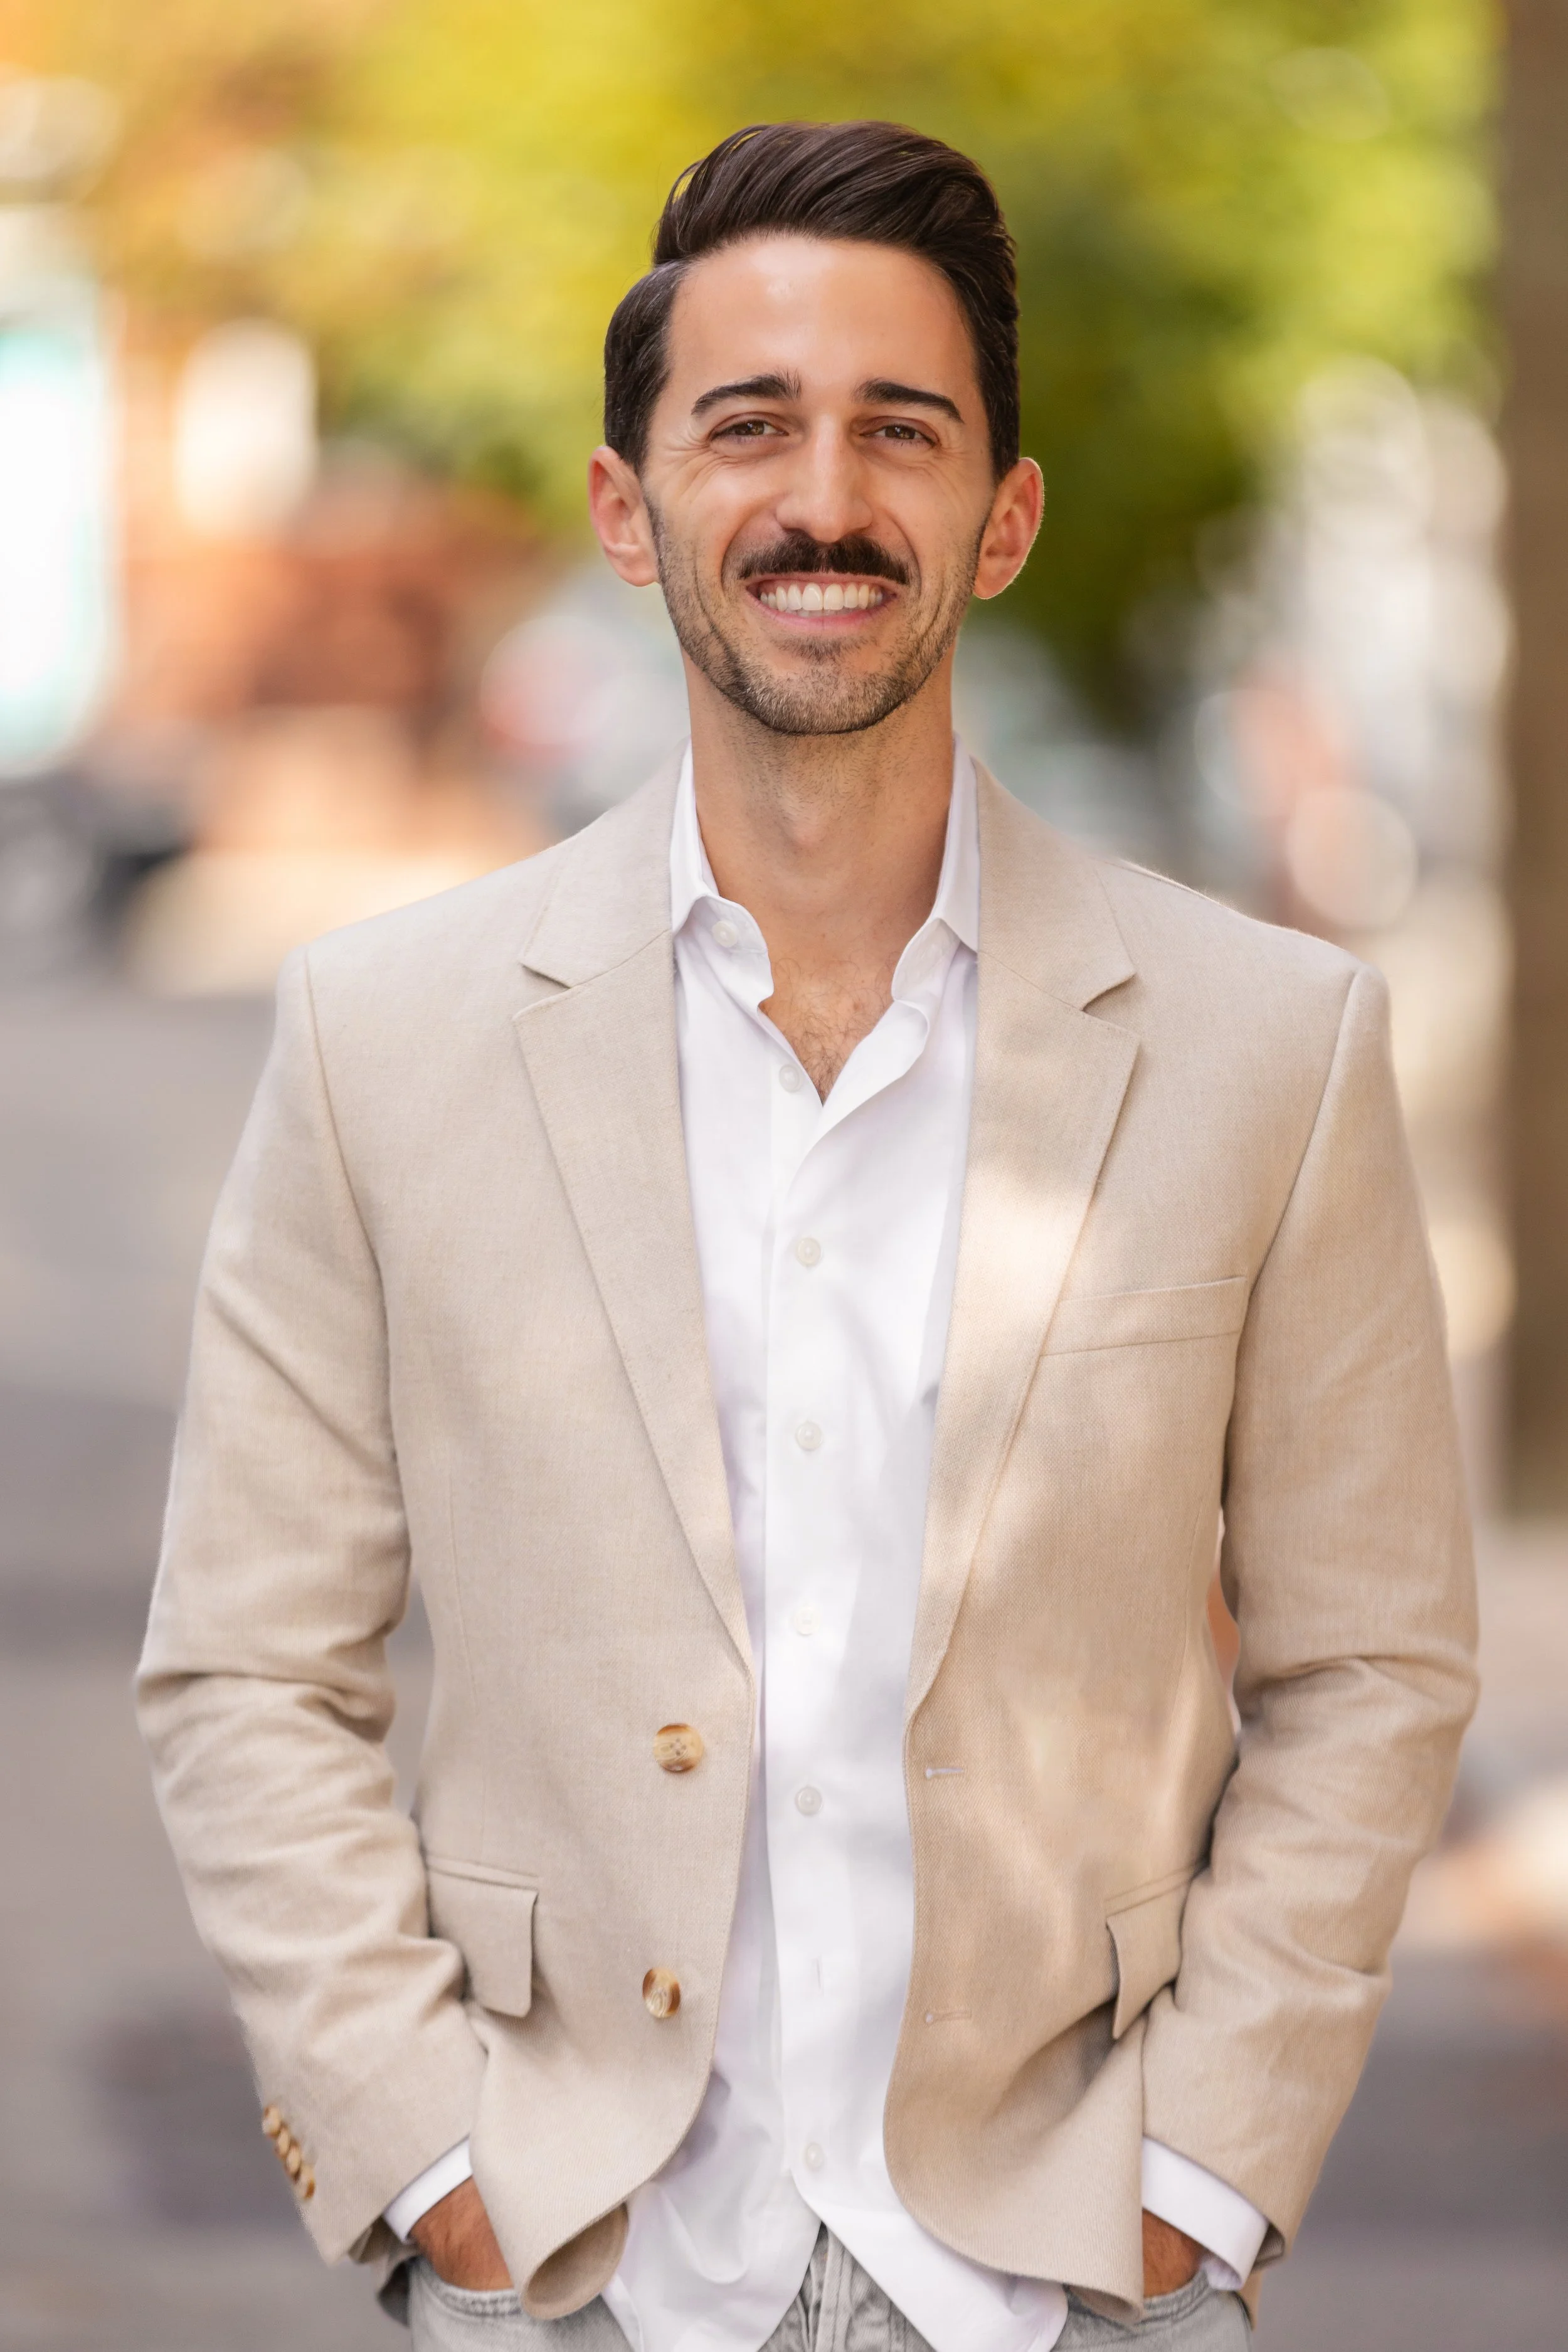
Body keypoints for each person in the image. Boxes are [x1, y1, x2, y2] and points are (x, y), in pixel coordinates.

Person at [139, 119, 1478, 2352]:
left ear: (1003, 514)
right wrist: (427, 2162)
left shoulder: (1272, 1044)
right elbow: (245, 1665)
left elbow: (1372, 1663)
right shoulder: (384, 1040)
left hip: (1066, 2276)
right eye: (744, 425)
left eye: (901, 431)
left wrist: (1205, 2166)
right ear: (623, 503)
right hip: (584, 2263)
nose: (823, 497)